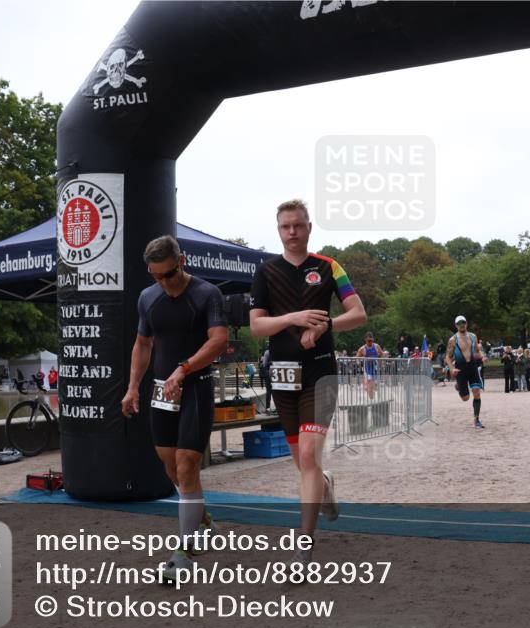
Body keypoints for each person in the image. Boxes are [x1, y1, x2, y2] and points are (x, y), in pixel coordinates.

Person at [249, 199, 367, 567]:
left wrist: (325, 325)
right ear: (278, 229)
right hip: (283, 378)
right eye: (286, 227)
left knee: (306, 456)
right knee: (306, 465)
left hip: (320, 373)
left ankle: (304, 545)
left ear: (309, 227)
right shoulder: (265, 272)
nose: (292, 232)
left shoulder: (328, 266)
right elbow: (256, 327)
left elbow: (358, 314)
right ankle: (325, 484)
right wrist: (294, 318)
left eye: (298, 225)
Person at [121, 234, 229, 579]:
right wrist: (132, 387)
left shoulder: (206, 294)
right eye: (155, 276)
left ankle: (183, 553)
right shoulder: (147, 298)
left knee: (186, 466)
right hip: (161, 393)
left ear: (180, 262)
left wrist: (183, 369)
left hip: (195, 387)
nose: (162, 282)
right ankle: (205, 521)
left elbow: (218, 340)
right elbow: (142, 344)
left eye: (167, 274)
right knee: (171, 469)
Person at [445, 315, 485, 428]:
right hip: (460, 369)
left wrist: (482, 357)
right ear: (456, 325)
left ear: (466, 323)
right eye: (459, 323)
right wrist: (452, 369)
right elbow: (447, 357)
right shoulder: (453, 340)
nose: (461, 324)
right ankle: (459, 386)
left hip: (472, 367)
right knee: (465, 398)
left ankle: (476, 420)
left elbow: (477, 351)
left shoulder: (473, 336)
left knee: (476, 392)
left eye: (463, 322)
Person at [356, 332, 383, 399]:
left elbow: (382, 354)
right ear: (365, 340)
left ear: (373, 339)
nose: (370, 342)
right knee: (370, 382)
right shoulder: (362, 348)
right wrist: (359, 363)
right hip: (367, 368)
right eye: (368, 341)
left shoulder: (377, 346)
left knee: (373, 385)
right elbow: (356, 357)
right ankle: (371, 396)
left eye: (371, 340)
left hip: (375, 368)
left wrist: (381, 362)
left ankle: (370, 394)